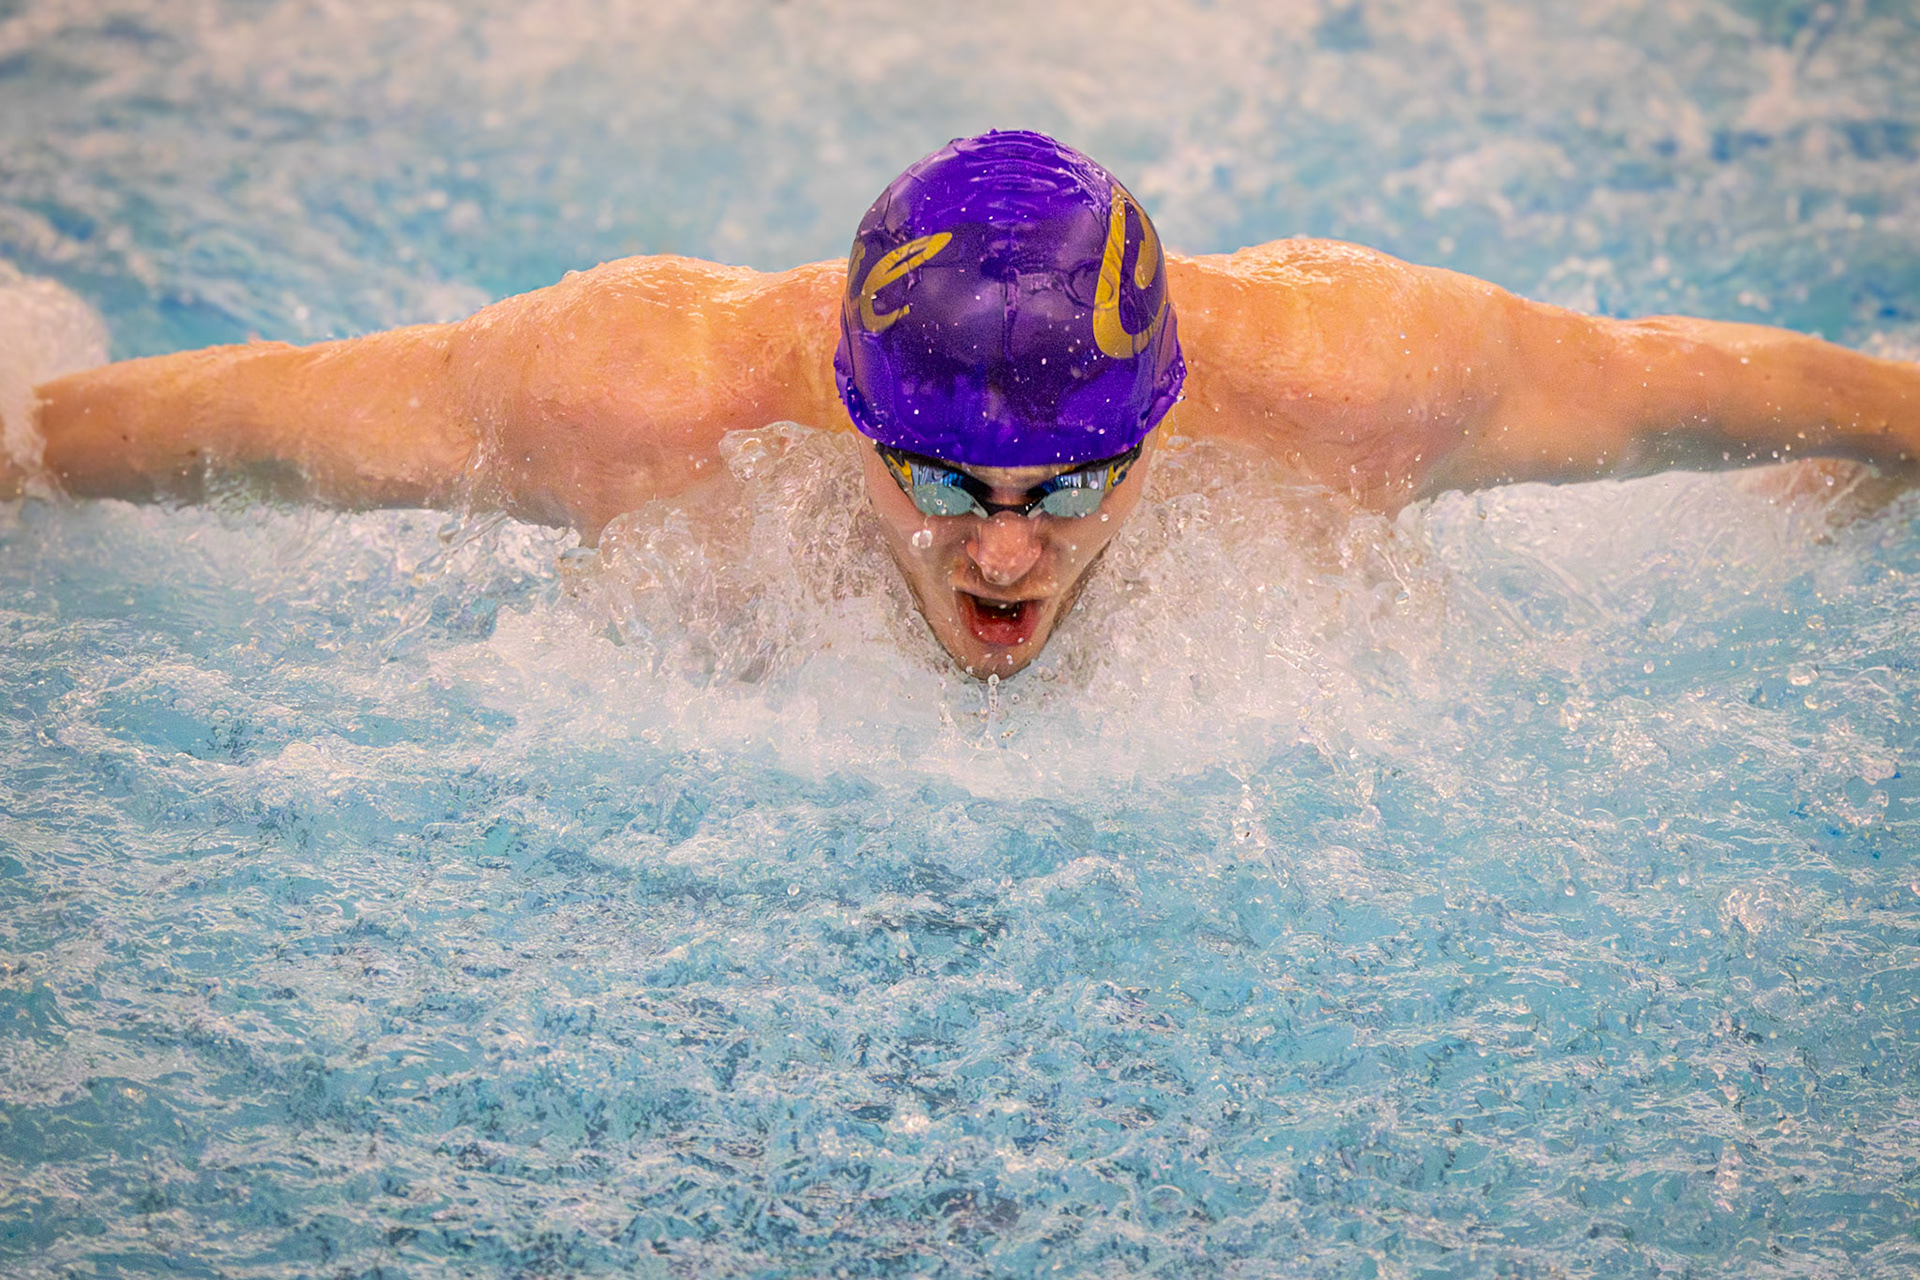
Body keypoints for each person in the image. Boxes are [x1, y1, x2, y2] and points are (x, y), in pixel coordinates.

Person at [4, 130, 1917, 678]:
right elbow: (217, 423)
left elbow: (1704, 387)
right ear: (842, 412)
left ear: (1160, 422)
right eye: (936, 475)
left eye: (1072, 485)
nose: (1003, 549)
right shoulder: (634, 395)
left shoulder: (1352, 380)